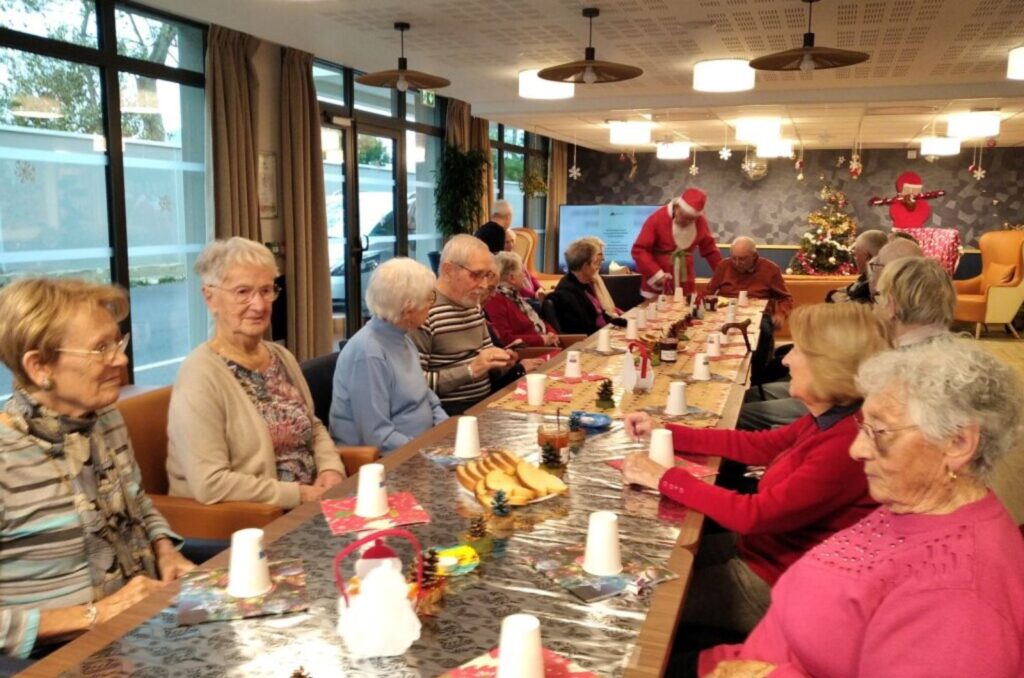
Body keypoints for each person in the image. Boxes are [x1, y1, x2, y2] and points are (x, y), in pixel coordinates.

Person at [699, 340, 1024, 678]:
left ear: (957, 443)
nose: (857, 449)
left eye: (879, 432)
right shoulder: (911, 505)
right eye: (863, 428)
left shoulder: (962, 600)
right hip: (744, 653)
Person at [621, 303, 889, 641]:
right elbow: (759, 445)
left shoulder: (845, 446)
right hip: (760, 549)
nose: (787, 359)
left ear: (830, 367)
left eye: (799, 351)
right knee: (643, 560)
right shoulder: (833, 418)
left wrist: (662, 477)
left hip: (774, 581)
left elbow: (754, 515)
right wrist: (666, 430)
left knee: (635, 603)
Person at [0, 278, 194, 659]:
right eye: (99, 349)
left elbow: (137, 501)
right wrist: (97, 614)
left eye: (116, 343)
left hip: (141, 631)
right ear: (39, 366)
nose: (120, 360)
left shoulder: (104, 420)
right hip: (53, 658)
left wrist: (165, 550)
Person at [167, 237, 346, 509]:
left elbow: (314, 426)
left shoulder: (280, 356)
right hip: (257, 521)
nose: (259, 305)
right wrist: (299, 495)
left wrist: (331, 471)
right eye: (242, 292)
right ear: (210, 297)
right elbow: (211, 483)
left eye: (265, 291)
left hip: (315, 505)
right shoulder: (199, 376)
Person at [738, 254, 953, 432]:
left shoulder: (901, 365)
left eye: (876, 296)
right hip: (833, 404)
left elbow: (843, 406)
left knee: (737, 413)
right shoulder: (939, 348)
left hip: (835, 416)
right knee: (747, 396)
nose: (873, 305)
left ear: (891, 305)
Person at [329, 258, 448, 454]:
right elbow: (378, 436)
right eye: (429, 298)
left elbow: (427, 397)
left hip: (423, 447)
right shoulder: (369, 353)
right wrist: (428, 450)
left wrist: (446, 431)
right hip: (391, 459)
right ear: (408, 309)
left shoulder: (402, 336)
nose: (431, 304)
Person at [409, 234, 517, 415]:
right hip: (447, 413)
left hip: (484, 404)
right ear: (448, 270)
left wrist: (501, 363)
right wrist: (470, 370)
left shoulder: (472, 305)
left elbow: (485, 361)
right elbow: (415, 385)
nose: (483, 285)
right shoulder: (424, 311)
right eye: (475, 275)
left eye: (486, 275)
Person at [631, 187, 722, 298]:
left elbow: (710, 250)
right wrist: (656, 274)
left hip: (686, 280)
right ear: (677, 207)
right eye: (685, 217)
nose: (688, 222)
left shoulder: (700, 221)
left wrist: (723, 274)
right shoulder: (657, 218)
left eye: (692, 219)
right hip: (661, 278)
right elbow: (639, 250)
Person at [706, 237, 792, 330]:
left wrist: (781, 314)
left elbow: (785, 298)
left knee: (764, 330)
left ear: (754, 256)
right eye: (733, 258)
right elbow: (708, 293)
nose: (737, 263)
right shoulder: (723, 266)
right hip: (725, 313)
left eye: (742, 259)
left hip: (759, 315)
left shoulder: (770, 269)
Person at [547, 238, 628, 335]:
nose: (598, 267)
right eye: (595, 264)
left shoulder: (583, 284)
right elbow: (586, 328)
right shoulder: (568, 293)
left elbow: (600, 314)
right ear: (585, 267)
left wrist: (622, 322)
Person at [484, 252, 560, 347]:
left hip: (544, 346)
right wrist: (542, 339)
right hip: (530, 352)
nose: (524, 276)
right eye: (522, 273)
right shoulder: (495, 300)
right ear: (512, 278)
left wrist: (551, 333)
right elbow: (506, 339)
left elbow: (538, 321)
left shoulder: (515, 296)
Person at [825, 229, 888, 303]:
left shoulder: (876, 284)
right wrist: (833, 294)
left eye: (856, 255)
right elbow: (845, 290)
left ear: (867, 257)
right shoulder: (865, 277)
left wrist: (838, 298)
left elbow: (855, 306)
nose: (855, 259)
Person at [504, 228, 545, 301]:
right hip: (523, 299)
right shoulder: (504, 262)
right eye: (506, 242)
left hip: (533, 296)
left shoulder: (516, 257)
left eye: (512, 241)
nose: (511, 245)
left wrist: (540, 288)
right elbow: (516, 286)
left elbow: (530, 276)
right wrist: (534, 295)